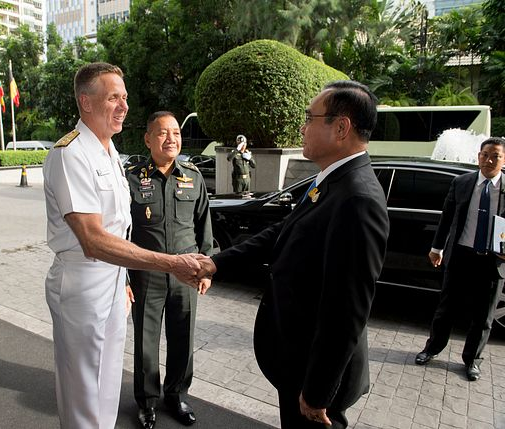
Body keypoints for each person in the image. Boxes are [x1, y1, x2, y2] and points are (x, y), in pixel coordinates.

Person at [197, 81, 389, 428]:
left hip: (316, 380)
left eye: (309, 118)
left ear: (341, 127)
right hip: (297, 362)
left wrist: (317, 393)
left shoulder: (357, 199)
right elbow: (284, 231)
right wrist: (216, 262)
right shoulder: (332, 181)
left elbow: (347, 311)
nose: (302, 127)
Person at [42, 62, 203, 429]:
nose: (124, 105)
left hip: (114, 282)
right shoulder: (71, 154)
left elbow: (121, 227)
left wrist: (126, 279)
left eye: (125, 97)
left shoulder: (110, 151)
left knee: (107, 383)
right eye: (113, 97)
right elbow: (94, 239)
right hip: (83, 284)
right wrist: (170, 263)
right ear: (86, 101)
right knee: (83, 392)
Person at [126, 111, 213, 429]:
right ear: (148, 138)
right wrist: (123, 277)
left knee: (183, 338)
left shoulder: (193, 175)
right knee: (146, 341)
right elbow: (122, 231)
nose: (171, 138)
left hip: (186, 274)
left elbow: (204, 226)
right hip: (146, 274)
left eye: (176, 132)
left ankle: (176, 395)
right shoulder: (132, 177)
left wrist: (206, 269)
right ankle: (147, 402)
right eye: (163, 133)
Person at [415, 137, 505, 381]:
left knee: (484, 316)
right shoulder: (462, 183)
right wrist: (437, 248)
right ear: (478, 156)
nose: (489, 160)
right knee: (446, 308)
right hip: (461, 256)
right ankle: (431, 349)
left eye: (495, 156)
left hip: (493, 260)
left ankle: (472, 360)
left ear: (503, 159)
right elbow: (447, 218)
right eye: (485, 154)